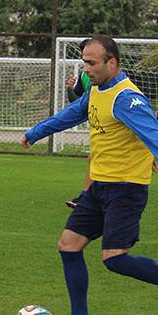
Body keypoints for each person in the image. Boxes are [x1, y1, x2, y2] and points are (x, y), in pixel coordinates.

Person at [22, 35, 158, 315]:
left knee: (115, 258)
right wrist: (36, 132)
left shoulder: (127, 99)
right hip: (99, 188)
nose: (86, 69)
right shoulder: (96, 90)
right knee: (68, 246)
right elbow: (71, 114)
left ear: (112, 63)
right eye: (84, 62)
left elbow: (154, 135)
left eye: (91, 63)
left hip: (126, 190)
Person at [64, 38, 93, 209]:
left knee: (94, 158)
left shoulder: (110, 76)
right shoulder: (84, 76)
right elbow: (76, 103)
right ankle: (88, 197)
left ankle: (87, 197)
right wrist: (70, 88)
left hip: (111, 126)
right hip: (96, 124)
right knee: (94, 159)